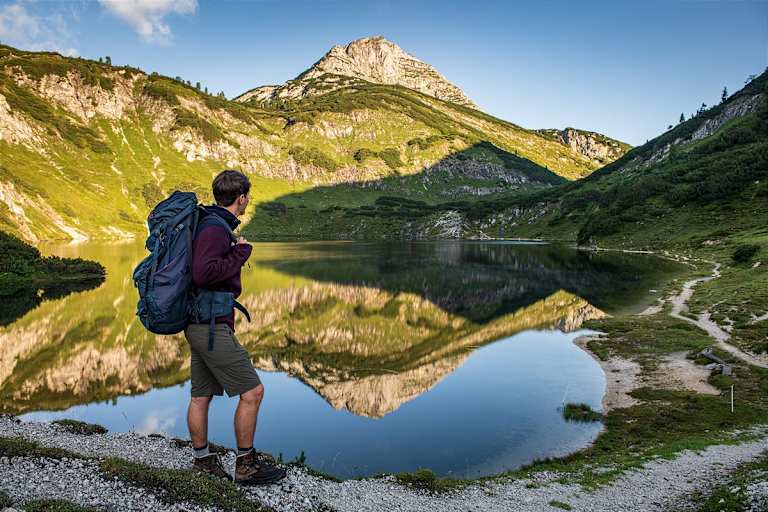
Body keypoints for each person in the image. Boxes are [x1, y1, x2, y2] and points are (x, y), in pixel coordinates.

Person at [185, 169, 286, 485]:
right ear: (241, 198)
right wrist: (241, 253)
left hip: (201, 323)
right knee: (253, 391)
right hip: (211, 327)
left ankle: (203, 461)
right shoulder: (215, 229)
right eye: (247, 197)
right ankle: (246, 465)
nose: (247, 201)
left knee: (201, 396)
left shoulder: (209, 223)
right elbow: (204, 274)